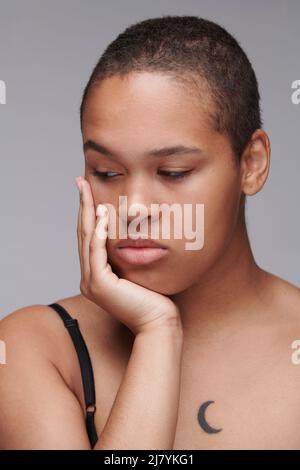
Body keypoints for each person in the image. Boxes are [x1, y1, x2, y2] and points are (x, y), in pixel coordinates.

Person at [0, 15, 299, 450]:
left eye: (173, 173)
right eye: (107, 172)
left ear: (251, 164)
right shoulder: (33, 350)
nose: (133, 208)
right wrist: (158, 333)